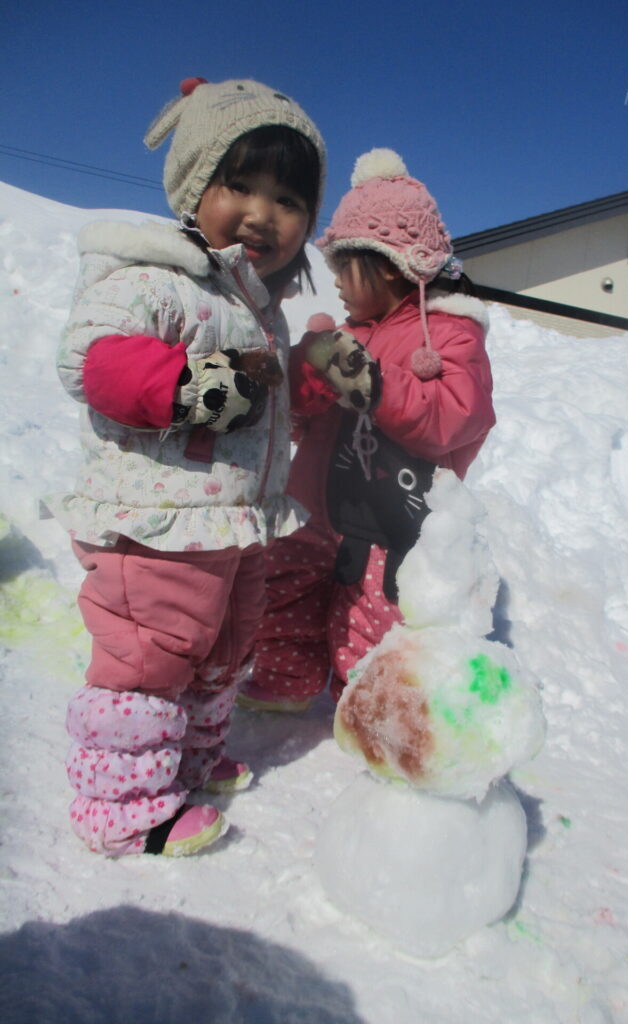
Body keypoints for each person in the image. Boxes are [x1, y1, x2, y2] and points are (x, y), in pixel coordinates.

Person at [48, 77, 325, 857]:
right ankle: (127, 811)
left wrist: (307, 373)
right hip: (156, 524)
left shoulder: (257, 308)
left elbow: (263, 403)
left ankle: (189, 762)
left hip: (232, 523)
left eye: (287, 199)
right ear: (195, 183)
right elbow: (94, 361)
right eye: (240, 184)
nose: (262, 213)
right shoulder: (155, 277)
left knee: (222, 649)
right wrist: (184, 385)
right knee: (150, 658)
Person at [240, 148, 495, 710]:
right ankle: (286, 682)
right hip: (314, 501)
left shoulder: (450, 333)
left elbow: (454, 418)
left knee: (373, 610)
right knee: (287, 588)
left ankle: (367, 705)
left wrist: (375, 385)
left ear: (386, 262)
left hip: (389, 517)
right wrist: (307, 376)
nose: (336, 284)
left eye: (343, 270)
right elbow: (300, 416)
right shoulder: (348, 331)